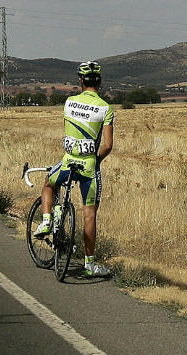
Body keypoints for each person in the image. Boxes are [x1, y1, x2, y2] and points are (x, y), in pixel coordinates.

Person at [34, 61, 114, 277]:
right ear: (99, 81)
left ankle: (47, 220)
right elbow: (107, 145)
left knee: (48, 184)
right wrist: (95, 160)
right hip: (89, 166)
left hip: (68, 162)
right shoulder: (106, 108)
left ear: (81, 81)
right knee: (90, 215)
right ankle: (90, 264)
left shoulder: (69, 102)